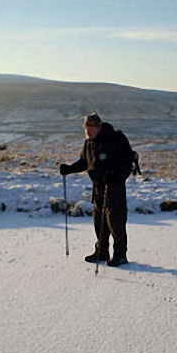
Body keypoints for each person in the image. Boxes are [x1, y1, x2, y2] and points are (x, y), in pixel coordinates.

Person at [60, 112, 134, 267]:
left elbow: (125, 164)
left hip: (114, 187)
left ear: (99, 127)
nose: (88, 131)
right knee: (99, 220)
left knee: (115, 220)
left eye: (92, 128)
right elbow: (84, 162)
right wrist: (69, 169)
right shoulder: (89, 143)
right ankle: (102, 251)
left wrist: (113, 176)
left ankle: (120, 254)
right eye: (86, 128)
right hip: (98, 186)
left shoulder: (114, 139)